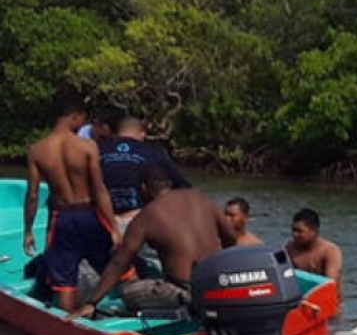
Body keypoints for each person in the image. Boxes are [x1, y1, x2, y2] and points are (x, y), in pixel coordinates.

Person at [68, 167, 236, 318]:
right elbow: (231, 238)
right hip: (217, 282)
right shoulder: (201, 198)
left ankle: (185, 303)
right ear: (168, 184)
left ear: (143, 188)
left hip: (186, 291)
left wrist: (92, 302)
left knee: (128, 291)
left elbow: (119, 262)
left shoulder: (146, 216)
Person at [23, 101, 120, 311]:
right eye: (83, 119)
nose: (83, 124)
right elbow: (99, 189)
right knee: (119, 268)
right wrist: (113, 228)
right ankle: (132, 314)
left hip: (62, 218)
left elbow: (32, 195)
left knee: (64, 285)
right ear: (74, 117)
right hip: (90, 215)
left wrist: (28, 231)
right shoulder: (87, 147)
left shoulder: (37, 150)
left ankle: (67, 327)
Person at [99, 115, 190, 233]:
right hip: (138, 220)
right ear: (142, 134)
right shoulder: (151, 152)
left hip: (103, 220)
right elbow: (181, 185)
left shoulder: (98, 149)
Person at [286, 208, 342, 281]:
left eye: (299, 231)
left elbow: (331, 284)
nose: (294, 234)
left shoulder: (329, 251)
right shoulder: (289, 250)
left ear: (314, 231)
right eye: (293, 230)